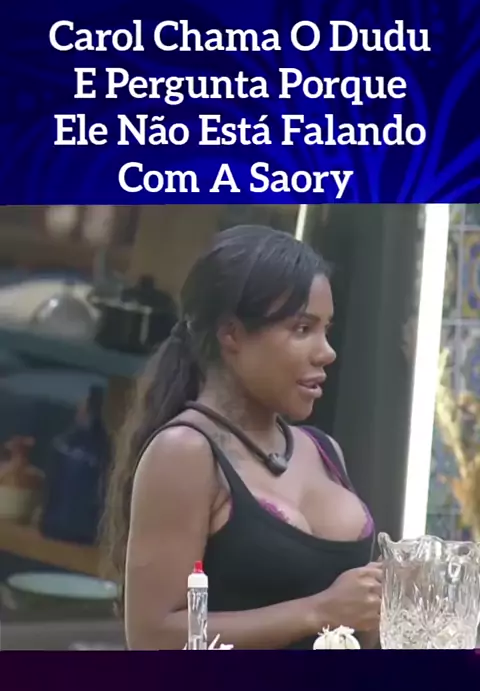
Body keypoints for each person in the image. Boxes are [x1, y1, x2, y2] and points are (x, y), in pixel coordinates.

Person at [103, 225, 382, 650]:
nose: (326, 351)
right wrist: (319, 611)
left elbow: (356, 625)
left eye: (326, 329)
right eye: (302, 329)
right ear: (231, 333)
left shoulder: (323, 451)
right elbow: (152, 636)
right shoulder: (186, 452)